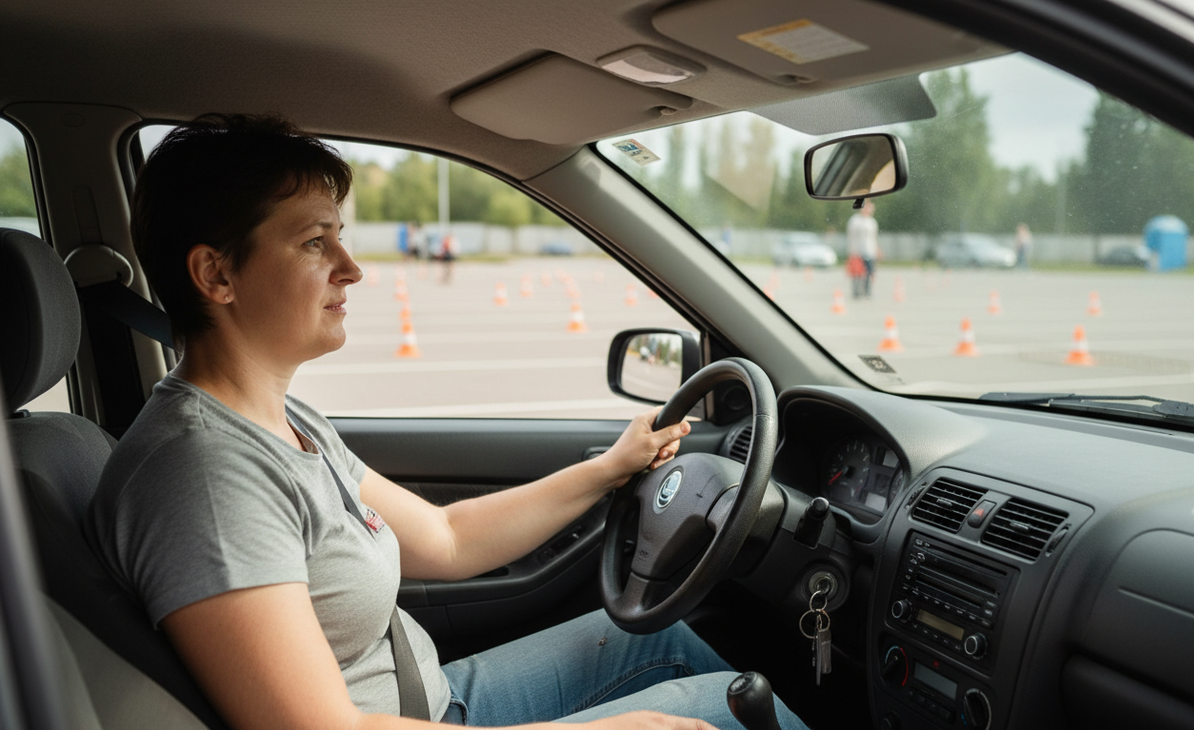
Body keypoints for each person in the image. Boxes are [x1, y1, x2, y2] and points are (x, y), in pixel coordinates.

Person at [86, 114, 807, 730]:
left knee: (667, 639)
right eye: (314, 242)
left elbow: (447, 536)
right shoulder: (207, 477)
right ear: (216, 275)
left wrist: (609, 467)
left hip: (429, 701)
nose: (351, 267)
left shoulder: (281, 420)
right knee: (715, 708)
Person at [845, 201, 878, 297]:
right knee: (857, 273)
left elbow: (874, 238)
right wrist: (852, 251)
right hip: (857, 251)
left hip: (869, 251)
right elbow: (850, 237)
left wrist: (877, 249)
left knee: (869, 272)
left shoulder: (872, 222)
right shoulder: (854, 221)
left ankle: (867, 291)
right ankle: (856, 291)